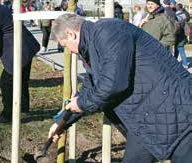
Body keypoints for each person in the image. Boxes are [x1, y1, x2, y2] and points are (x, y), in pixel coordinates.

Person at [48, 13, 192, 163]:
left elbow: (113, 84)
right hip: (148, 118)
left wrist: (81, 104)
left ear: (71, 34)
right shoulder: (92, 48)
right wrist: (61, 121)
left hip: (177, 111)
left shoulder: (109, 32)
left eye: (65, 45)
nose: (69, 51)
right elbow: (90, 86)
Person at [175, 3, 190, 69]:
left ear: (177, 8)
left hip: (179, 35)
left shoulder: (177, 15)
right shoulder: (185, 14)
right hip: (183, 34)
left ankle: (185, 63)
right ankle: (175, 61)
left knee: (181, 49)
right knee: (177, 49)